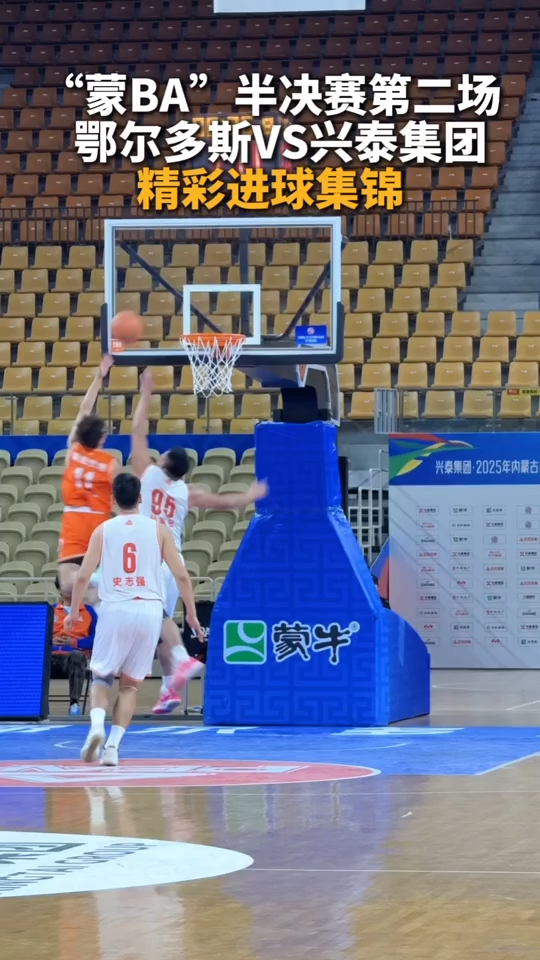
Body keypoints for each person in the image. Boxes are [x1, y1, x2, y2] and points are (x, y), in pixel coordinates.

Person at [132, 368, 268, 714]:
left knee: (152, 620)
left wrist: (145, 393)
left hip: (151, 557)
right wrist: (250, 495)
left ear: (164, 461)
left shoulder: (146, 473)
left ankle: (181, 657)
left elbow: (138, 430)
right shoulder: (186, 492)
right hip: (173, 559)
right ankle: (168, 689)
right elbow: (224, 502)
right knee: (162, 624)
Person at [65, 472, 203, 767]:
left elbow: (83, 577)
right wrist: (191, 614)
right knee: (129, 686)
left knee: (102, 678)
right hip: (150, 612)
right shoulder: (159, 530)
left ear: (113, 500)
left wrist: (74, 611)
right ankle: (113, 748)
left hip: (115, 608)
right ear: (141, 498)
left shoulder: (103, 530)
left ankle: (97, 727)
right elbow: (181, 576)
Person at [58, 353, 118, 601]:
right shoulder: (109, 463)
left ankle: (96, 581)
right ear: (101, 439)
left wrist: (98, 377)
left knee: (67, 585)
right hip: (98, 523)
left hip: (75, 521)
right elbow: (121, 499)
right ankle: (98, 583)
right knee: (86, 592)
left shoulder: (73, 450)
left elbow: (84, 410)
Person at [52, 576, 97, 716]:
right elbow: (37, 636)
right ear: (59, 589)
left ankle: (74, 704)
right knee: (33, 659)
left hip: (74, 658)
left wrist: (74, 643)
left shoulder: (89, 611)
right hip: (50, 657)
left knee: (77, 656)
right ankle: (37, 706)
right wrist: (50, 641)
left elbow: (96, 639)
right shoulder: (50, 610)